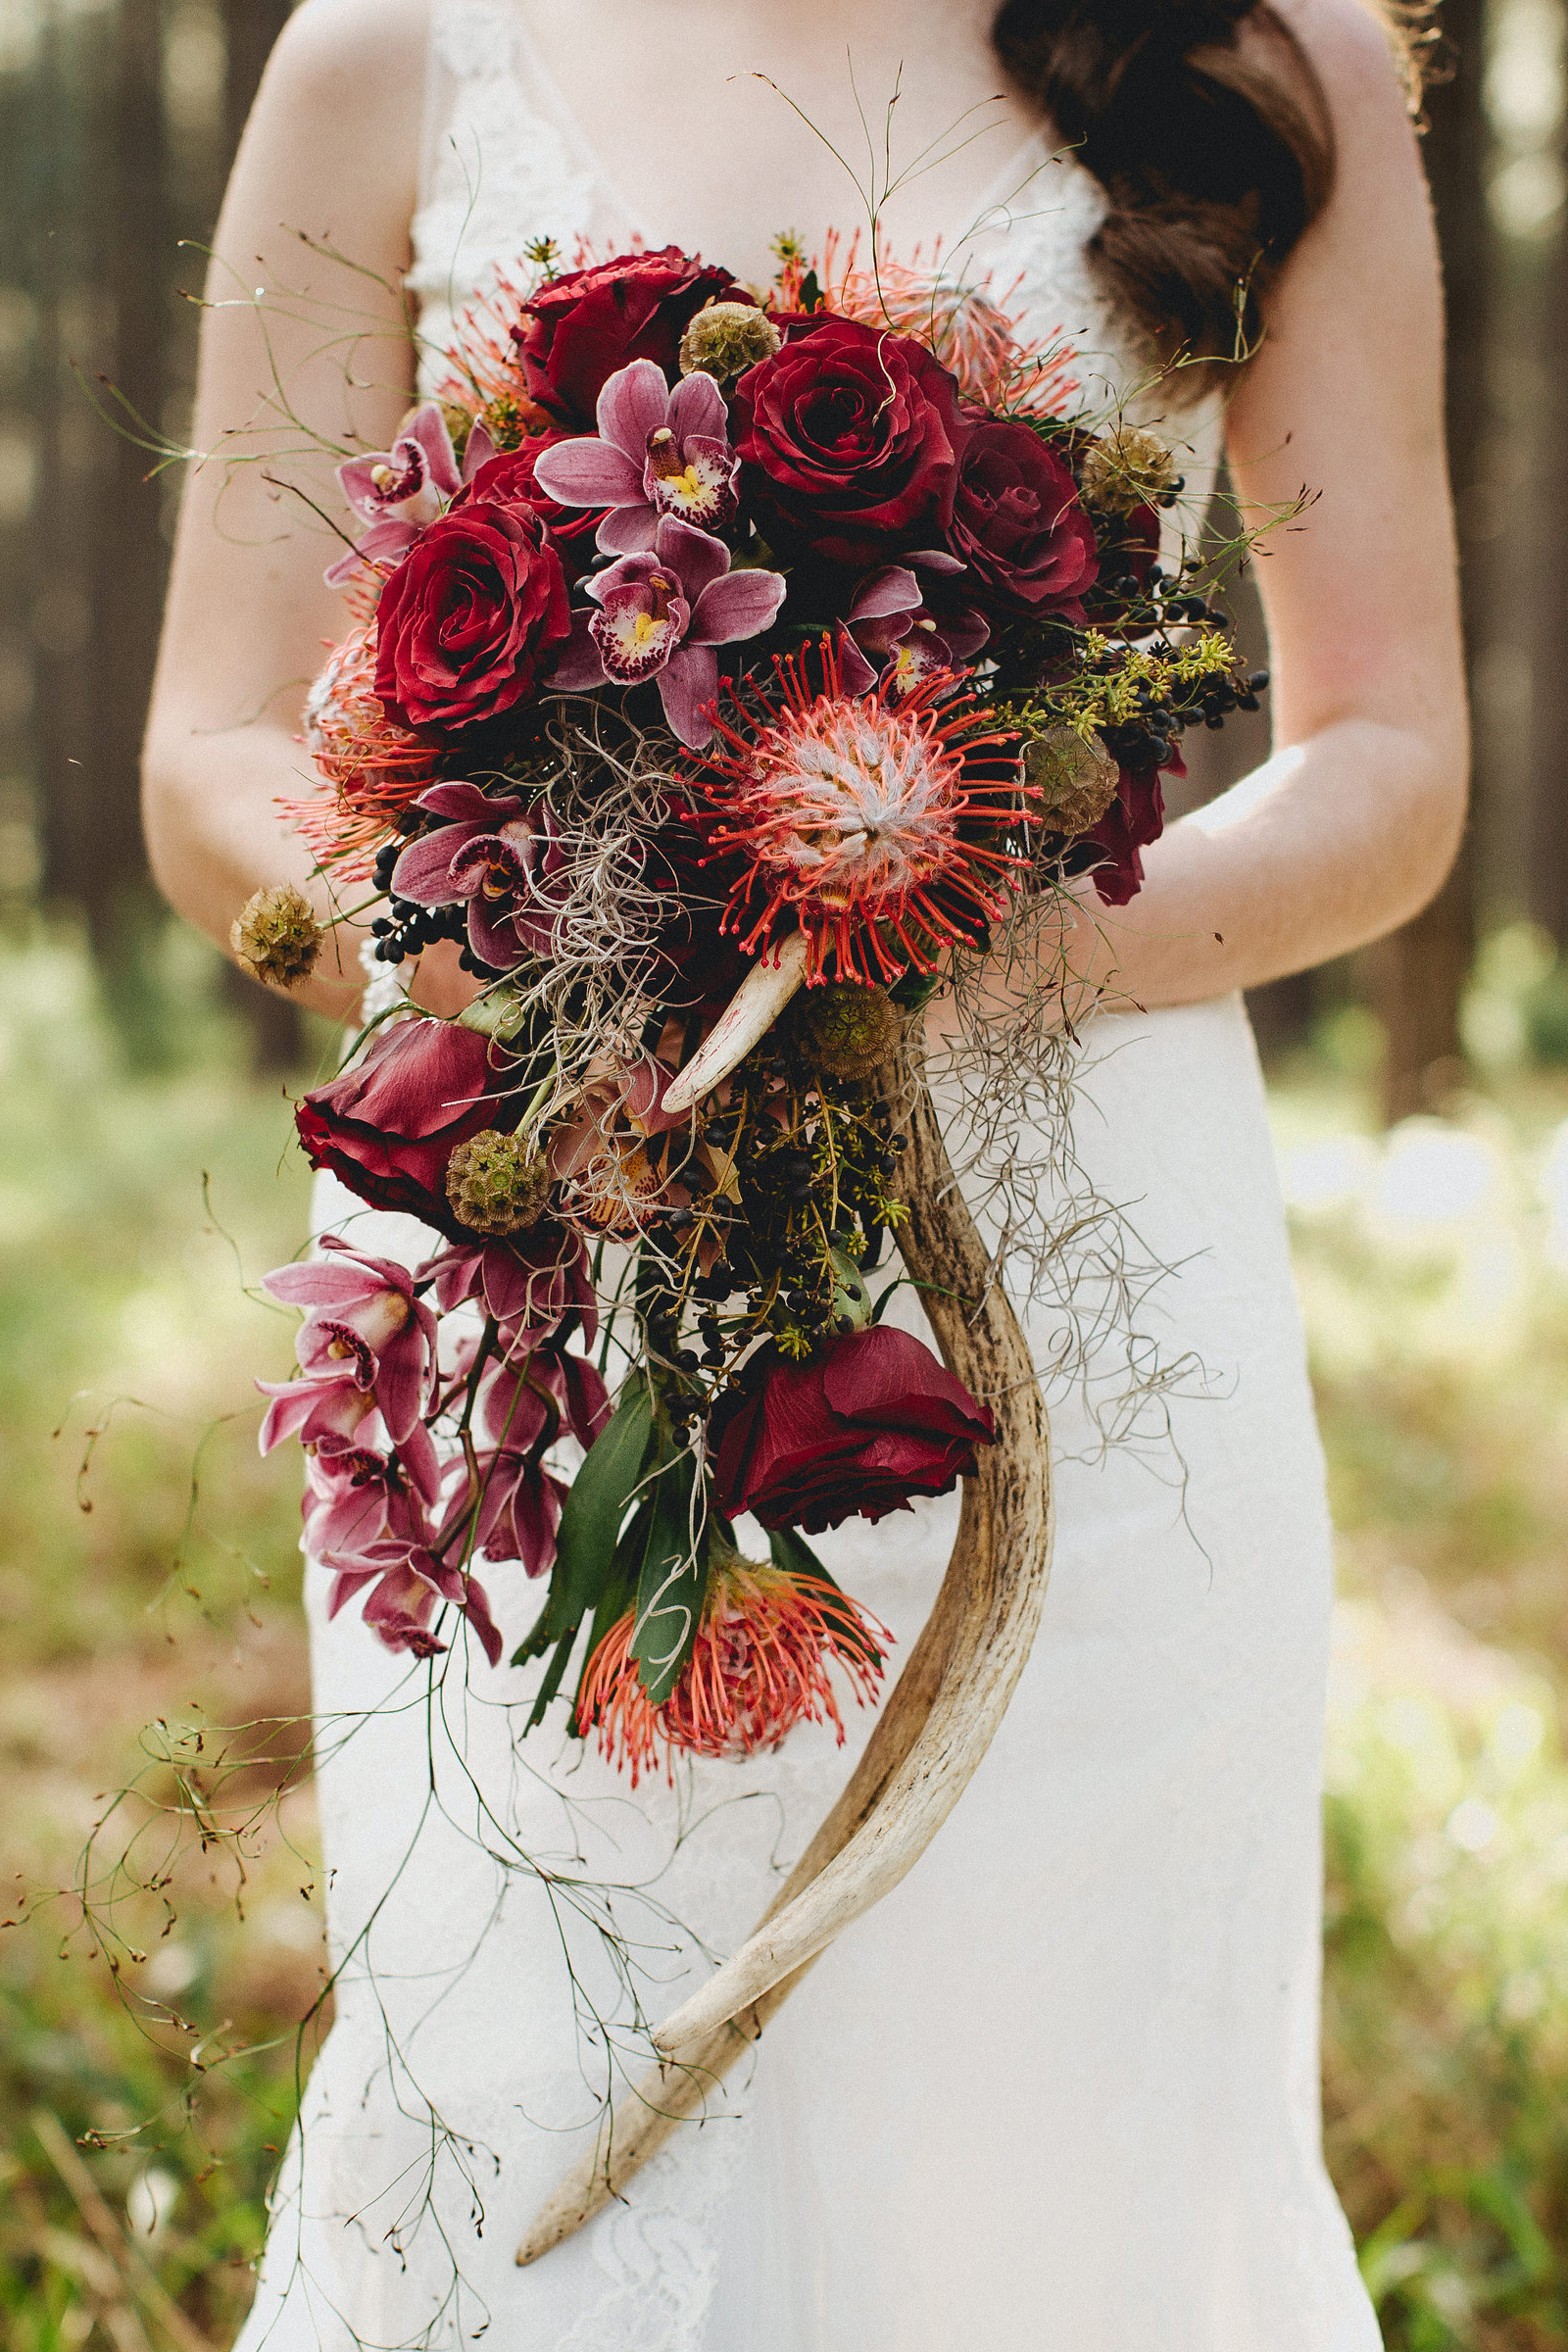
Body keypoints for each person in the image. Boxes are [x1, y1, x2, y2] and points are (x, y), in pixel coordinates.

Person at [142, 3, 1465, 2346]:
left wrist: (957, 938)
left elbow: (1385, 757)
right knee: (534, 2068)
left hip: (1085, 1250)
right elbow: (216, 745)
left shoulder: (1283, 55)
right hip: (568, 1233)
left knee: (1057, 2106)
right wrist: (564, 959)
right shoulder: (390, 51)